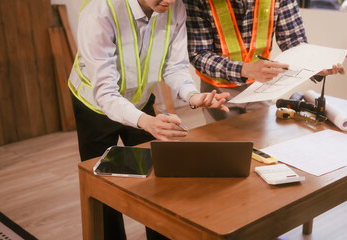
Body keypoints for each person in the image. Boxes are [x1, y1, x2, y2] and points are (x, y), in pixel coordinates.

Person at [68, 0, 229, 239]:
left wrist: (194, 95)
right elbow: (105, 94)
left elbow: (174, 67)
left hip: (140, 100)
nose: (170, 0)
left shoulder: (175, 7)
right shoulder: (99, 11)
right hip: (95, 105)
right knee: (103, 186)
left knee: (157, 180)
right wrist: (146, 121)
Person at [183, 0, 345, 123]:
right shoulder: (198, 1)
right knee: (224, 149)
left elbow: (295, 42)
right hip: (218, 91)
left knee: (261, 146)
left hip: (260, 88)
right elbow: (198, 54)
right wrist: (245, 69)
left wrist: (314, 66)